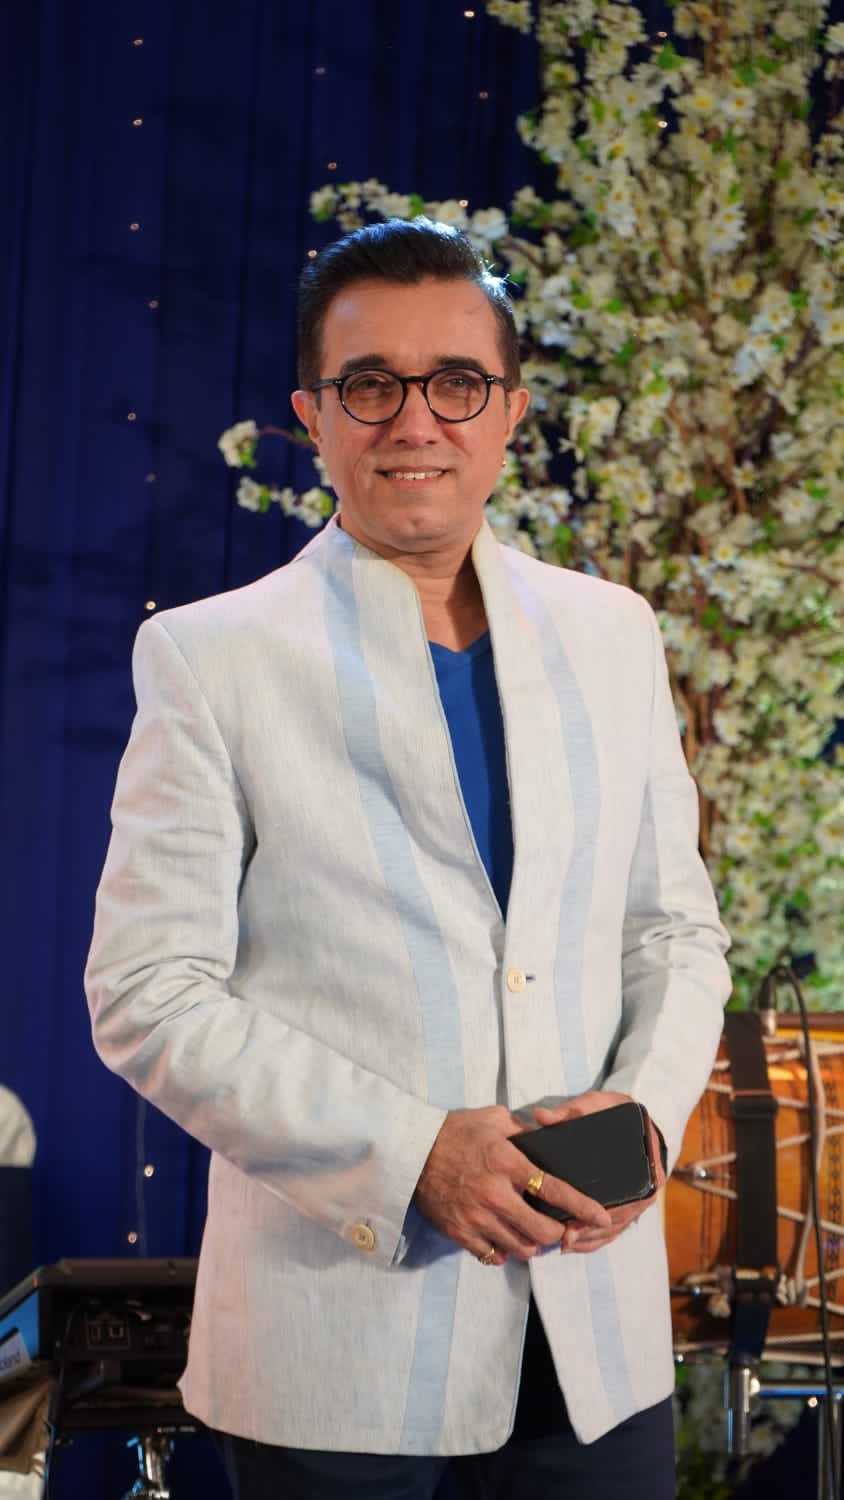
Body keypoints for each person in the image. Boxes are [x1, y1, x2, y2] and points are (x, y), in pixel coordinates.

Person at [85, 217, 731, 1499]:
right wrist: (411, 1152)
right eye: (370, 385)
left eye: (457, 383)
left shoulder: (611, 633)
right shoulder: (214, 657)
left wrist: (644, 1121)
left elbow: (672, 929)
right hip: (337, 1344)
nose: (415, 421)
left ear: (511, 412)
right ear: (312, 418)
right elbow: (146, 992)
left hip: (594, 1340)